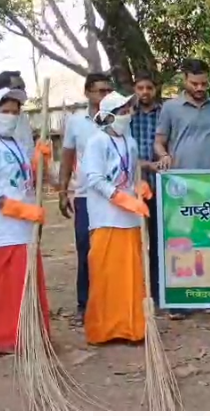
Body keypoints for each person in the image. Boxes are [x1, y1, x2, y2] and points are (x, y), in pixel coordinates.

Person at [0, 87, 51, 354]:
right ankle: (3, 338)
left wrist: (38, 162)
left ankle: (31, 334)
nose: (11, 116)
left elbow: (25, 181)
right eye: (5, 111)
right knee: (6, 288)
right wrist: (20, 209)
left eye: (16, 112)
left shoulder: (16, 144)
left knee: (27, 284)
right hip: (0, 231)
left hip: (24, 230)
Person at [154, 59, 210, 319]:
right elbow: (159, 142)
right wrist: (164, 155)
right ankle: (180, 300)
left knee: (209, 239)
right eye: (194, 83)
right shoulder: (170, 108)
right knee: (180, 240)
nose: (199, 88)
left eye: (204, 84)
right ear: (184, 80)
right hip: (179, 186)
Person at [82, 91, 150, 344]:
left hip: (130, 219)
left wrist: (140, 187)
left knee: (130, 276)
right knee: (106, 275)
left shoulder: (130, 142)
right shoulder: (96, 142)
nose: (127, 115)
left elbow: (132, 175)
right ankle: (104, 329)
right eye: (122, 112)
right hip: (106, 218)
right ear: (108, 116)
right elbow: (94, 178)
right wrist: (121, 198)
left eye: (128, 110)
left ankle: (131, 327)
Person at [57, 73, 114, 327]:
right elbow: (67, 157)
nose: (105, 96)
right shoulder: (76, 122)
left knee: (111, 250)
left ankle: (111, 302)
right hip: (85, 195)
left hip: (114, 196)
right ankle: (85, 304)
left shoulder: (119, 119)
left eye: (109, 91)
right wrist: (62, 191)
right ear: (88, 92)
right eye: (101, 91)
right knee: (85, 249)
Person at [130, 71, 166, 310]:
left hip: (161, 188)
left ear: (155, 89)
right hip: (132, 190)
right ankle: (137, 293)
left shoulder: (165, 114)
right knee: (135, 242)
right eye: (140, 88)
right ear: (135, 90)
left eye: (149, 88)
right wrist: (145, 165)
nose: (144, 92)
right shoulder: (127, 116)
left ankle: (158, 292)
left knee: (158, 241)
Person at [0, 71, 35, 155]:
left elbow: (27, 147)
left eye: (23, 88)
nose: (23, 91)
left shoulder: (21, 116)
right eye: (18, 87)